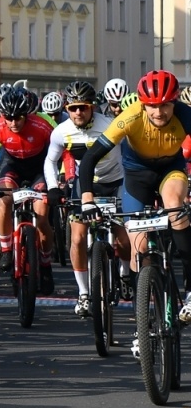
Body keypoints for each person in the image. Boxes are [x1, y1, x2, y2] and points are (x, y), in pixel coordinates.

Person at [77, 70, 191, 323]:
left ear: (176, 102)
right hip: (137, 176)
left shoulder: (186, 116)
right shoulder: (130, 116)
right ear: (142, 104)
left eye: (165, 105)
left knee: (175, 207)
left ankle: (190, 288)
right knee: (138, 249)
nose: (158, 112)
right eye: (152, 106)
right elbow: (89, 159)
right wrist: (87, 199)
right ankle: (142, 318)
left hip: (170, 171)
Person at [46, 81, 123, 317]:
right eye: (73, 108)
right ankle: (83, 293)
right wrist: (52, 188)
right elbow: (51, 161)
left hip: (116, 182)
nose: (78, 112)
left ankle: (126, 275)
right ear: (67, 108)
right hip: (85, 184)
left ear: (92, 107)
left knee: (124, 238)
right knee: (78, 239)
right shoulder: (60, 131)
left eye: (83, 107)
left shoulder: (110, 125)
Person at [0, 83, 56, 293]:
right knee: (4, 200)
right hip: (12, 166)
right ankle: (6, 248)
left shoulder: (41, 126)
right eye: (8, 117)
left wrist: (62, 178)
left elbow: (61, 151)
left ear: (26, 115)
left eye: (18, 117)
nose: (13, 122)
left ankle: (45, 263)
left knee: (42, 216)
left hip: (39, 169)